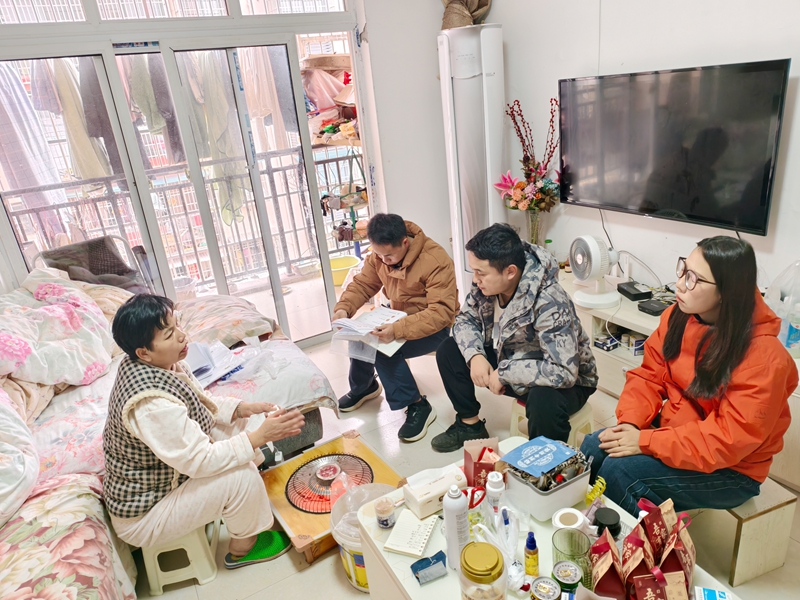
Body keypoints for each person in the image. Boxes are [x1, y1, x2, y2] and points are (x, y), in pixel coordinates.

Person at [581, 237, 798, 516]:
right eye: (683, 270)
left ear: (726, 292)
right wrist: (630, 424)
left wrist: (646, 442)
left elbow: (727, 440)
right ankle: (589, 524)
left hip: (733, 469)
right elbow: (648, 376)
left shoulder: (764, 358)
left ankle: (637, 541)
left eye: (694, 279)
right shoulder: (680, 314)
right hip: (678, 434)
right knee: (593, 447)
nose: (680, 284)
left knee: (619, 471)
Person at [103, 295, 305, 568]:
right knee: (241, 476)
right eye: (169, 334)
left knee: (241, 424)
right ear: (144, 353)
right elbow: (199, 461)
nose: (182, 336)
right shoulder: (150, 406)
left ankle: (249, 504)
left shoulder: (163, 365)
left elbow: (200, 405)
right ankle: (243, 547)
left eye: (177, 325)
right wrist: (261, 437)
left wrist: (243, 409)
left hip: (170, 476)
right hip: (147, 513)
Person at [433, 223, 598, 452]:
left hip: (568, 380)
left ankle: (545, 461)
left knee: (543, 400)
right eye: (474, 271)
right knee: (449, 350)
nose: (475, 279)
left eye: (481, 273)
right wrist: (475, 356)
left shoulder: (549, 300)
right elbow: (464, 320)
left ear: (510, 271)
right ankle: (469, 425)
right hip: (510, 356)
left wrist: (504, 372)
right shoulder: (484, 285)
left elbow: (563, 371)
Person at [332, 213, 459, 442]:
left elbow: (441, 312)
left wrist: (398, 330)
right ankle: (365, 387)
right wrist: (344, 309)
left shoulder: (435, 260)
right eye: (379, 254)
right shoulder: (379, 256)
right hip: (397, 314)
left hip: (434, 326)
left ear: (405, 242)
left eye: (388, 255)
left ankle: (418, 405)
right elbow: (363, 284)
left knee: (383, 348)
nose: (383, 260)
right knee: (359, 334)